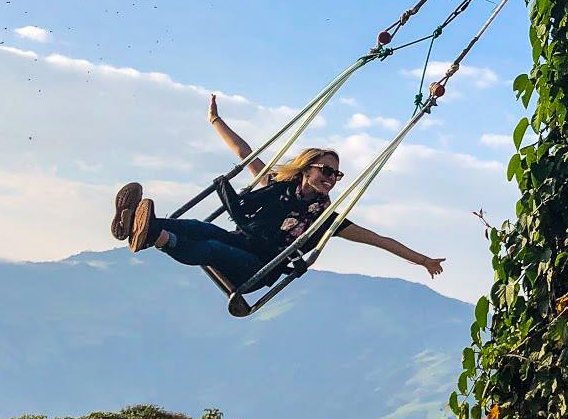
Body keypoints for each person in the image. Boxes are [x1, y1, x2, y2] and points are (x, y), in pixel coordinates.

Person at [110, 94, 444, 291]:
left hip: (258, 270)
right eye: (326, 171)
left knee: (210, 247)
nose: (331, 178)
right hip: (243, 243)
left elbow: (379, 239)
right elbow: (245, 152)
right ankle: (138, 225)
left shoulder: (324, 220)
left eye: (336, 174)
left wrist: (423, 260)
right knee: (200, 228)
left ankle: (154, 234)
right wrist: (215, 121)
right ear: (306, 169)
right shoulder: (276, 186)